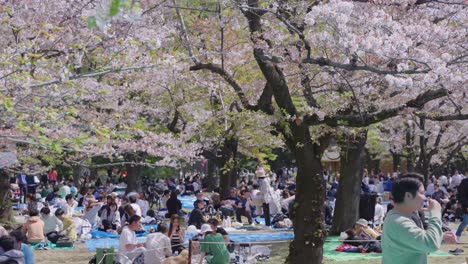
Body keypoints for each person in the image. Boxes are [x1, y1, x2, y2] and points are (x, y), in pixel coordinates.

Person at [382, 176, 442, 264]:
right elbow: (431, 244)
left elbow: (419, 245)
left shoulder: (399, 218)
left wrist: (441, 237)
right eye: (422, 193)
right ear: (408, 195)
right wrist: (435, 214)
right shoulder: (399, 222)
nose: (425, 198)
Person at [455, 176, 468, 241]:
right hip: (466, 204)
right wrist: (460, 202)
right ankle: (457, 235)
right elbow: (460, 193)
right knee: (466, 221)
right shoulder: (465, 181)